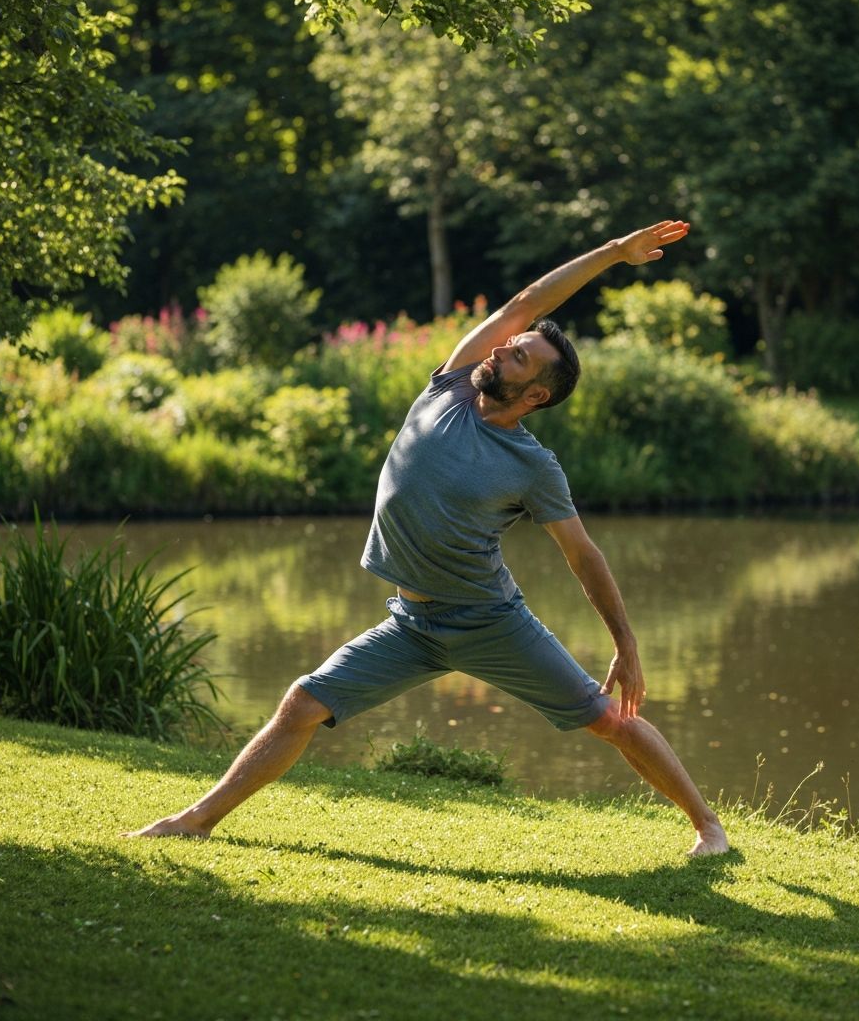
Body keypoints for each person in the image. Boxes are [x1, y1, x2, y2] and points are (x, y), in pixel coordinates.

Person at [127, 220, 730, 857]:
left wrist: (627, 645)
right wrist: (612, 254)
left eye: (517, 357)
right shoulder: (450, 386)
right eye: (507, 346)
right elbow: (525, 303)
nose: (500, 351)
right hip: (411, 624)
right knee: (302, 703)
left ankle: (707, 828)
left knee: (609, 719)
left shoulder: (533, 466)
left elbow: (583, 555)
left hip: (489, 622)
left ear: (535, 395)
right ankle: (196, 820)